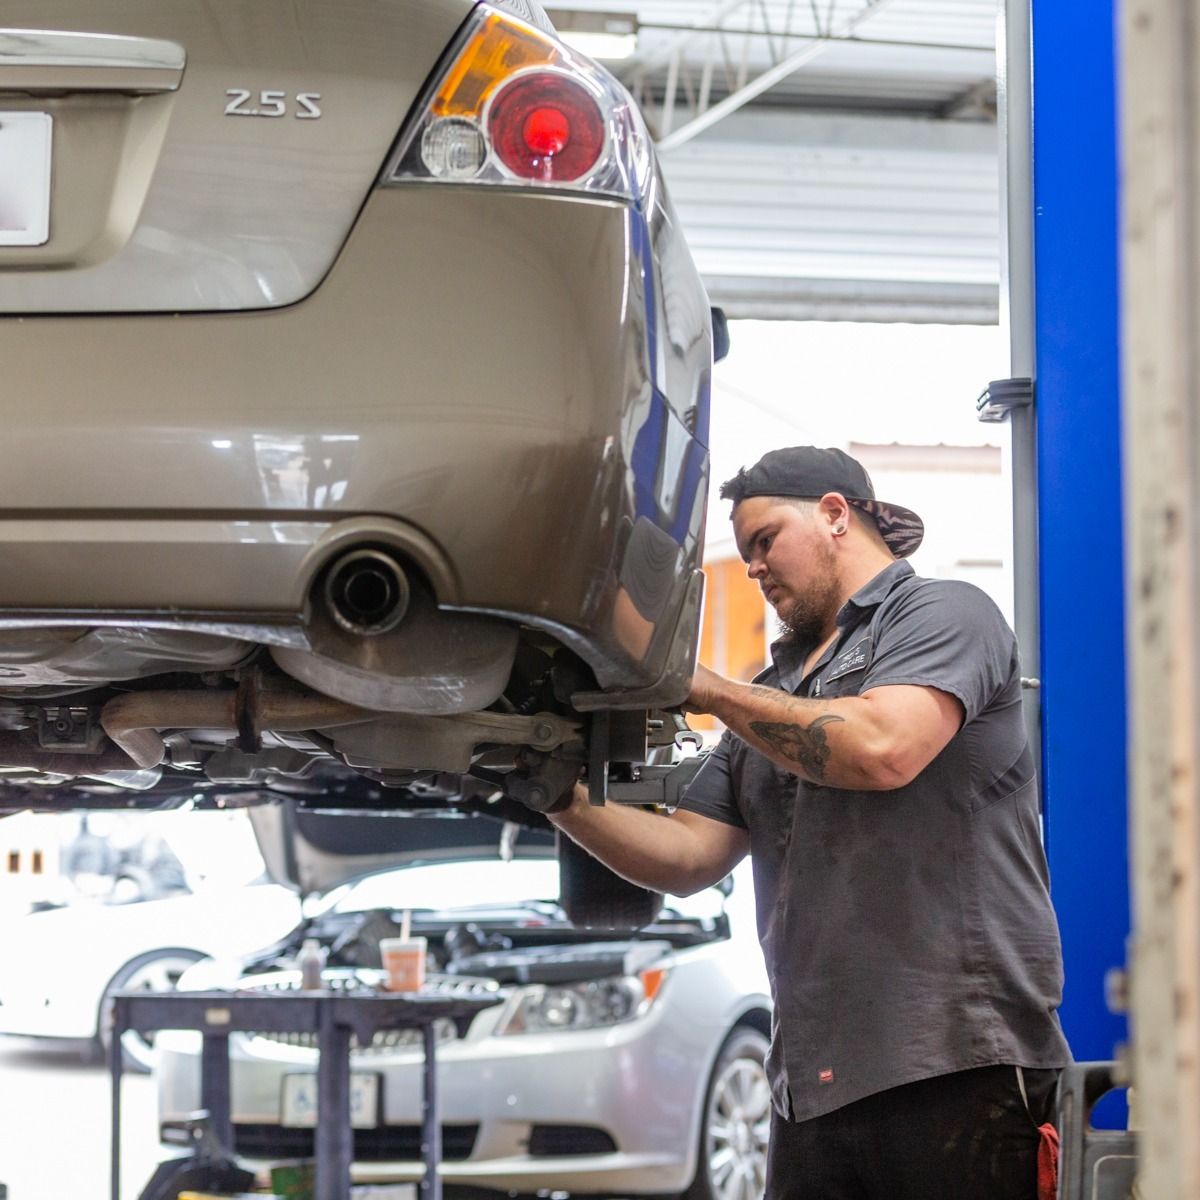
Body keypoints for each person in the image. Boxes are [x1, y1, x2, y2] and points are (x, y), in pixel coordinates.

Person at [547, 446, 1070, 1200]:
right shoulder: (776, 693)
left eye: (764, 541)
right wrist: (555, 796)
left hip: (957, 1067)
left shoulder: (944, 614)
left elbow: (883, 747)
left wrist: (710, 689)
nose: (753, 567)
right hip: (812, 1088)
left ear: (834, 514)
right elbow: (689, 856)